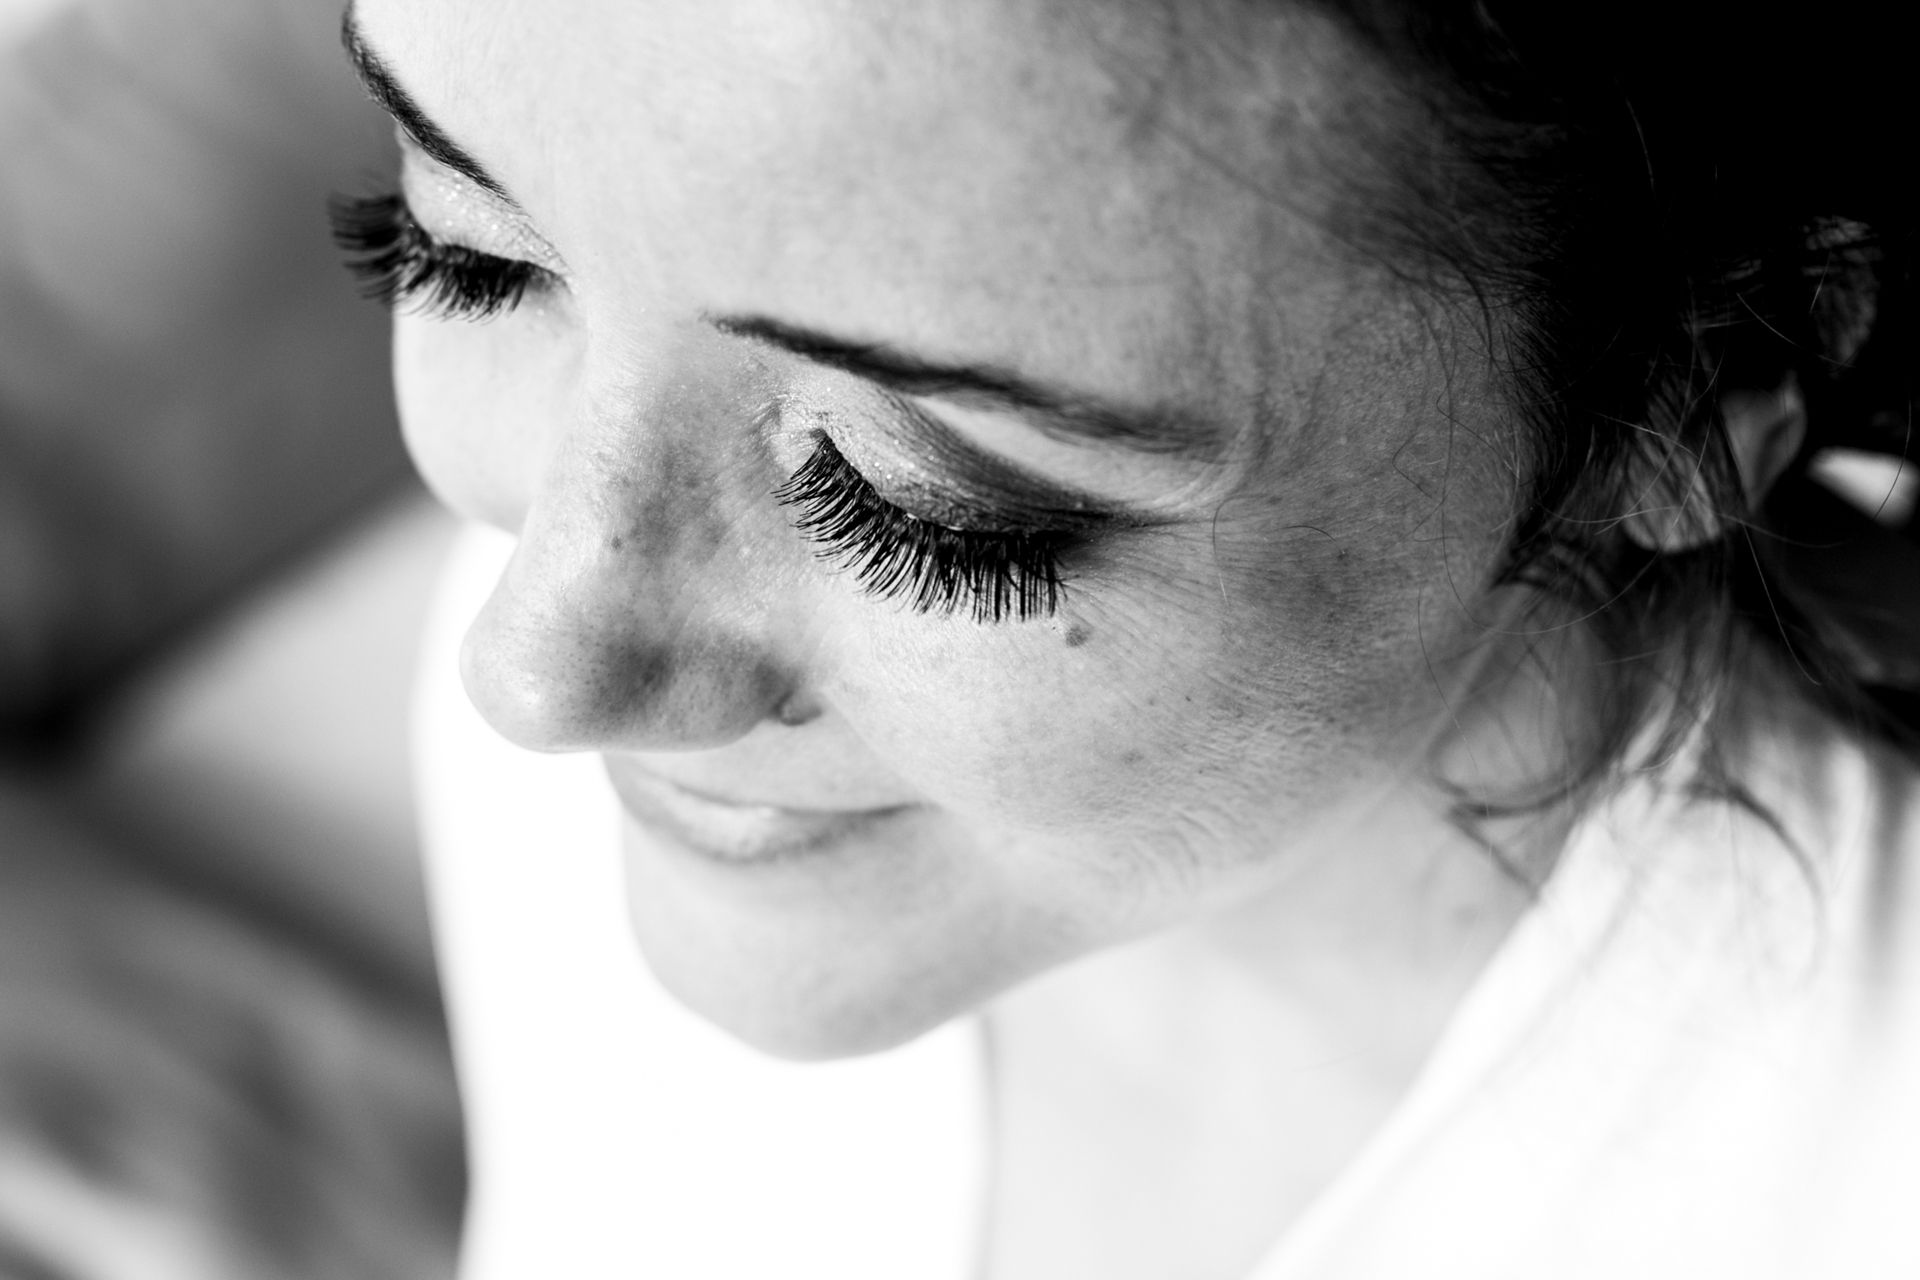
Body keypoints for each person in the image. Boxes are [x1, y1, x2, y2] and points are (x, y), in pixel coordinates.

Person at [335, 0, 1919, 1275]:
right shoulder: (619, 752)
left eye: (919, 504)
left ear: (1696, 387)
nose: (528, 669)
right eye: (465, 255)